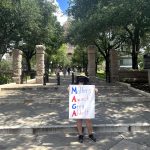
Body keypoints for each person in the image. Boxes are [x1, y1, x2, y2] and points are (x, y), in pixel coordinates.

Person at [68, 73, 98, 143]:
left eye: (82, 78)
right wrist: (71, 88)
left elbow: (96, 90)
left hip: (86, 106)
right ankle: (80, 135)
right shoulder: (75, 85)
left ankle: (90, 134)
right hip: (78, 106)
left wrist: (94, 89)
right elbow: (69, 89)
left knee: (88, 120)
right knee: (79, 120)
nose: (81, 79)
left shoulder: (88, 85)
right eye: (80, 77)